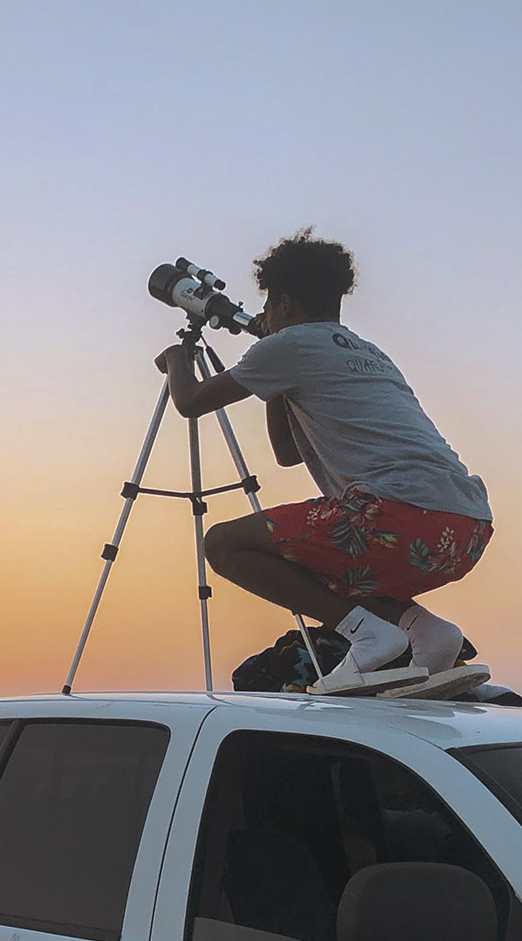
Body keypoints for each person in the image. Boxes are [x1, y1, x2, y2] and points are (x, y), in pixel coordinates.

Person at [156, 230, 492, 694]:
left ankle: (366, 633)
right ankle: (427, 631)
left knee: (224, 544)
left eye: (269, 306)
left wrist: (177, 359)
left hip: (397, 517)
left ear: (285, 302)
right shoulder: (365, 351)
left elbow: (190, 400)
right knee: (302, 552)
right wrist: (271, 381)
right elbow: (288, 454)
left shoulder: (289, 346)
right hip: (463, 530)